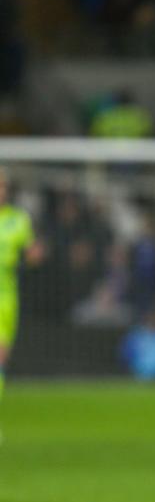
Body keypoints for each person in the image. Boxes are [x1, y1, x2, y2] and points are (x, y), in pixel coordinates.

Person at [0, 168, 43, 404]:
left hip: (4, 294)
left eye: (2, 186)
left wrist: (35, 254)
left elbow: (31, 253)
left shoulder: (18, 219)